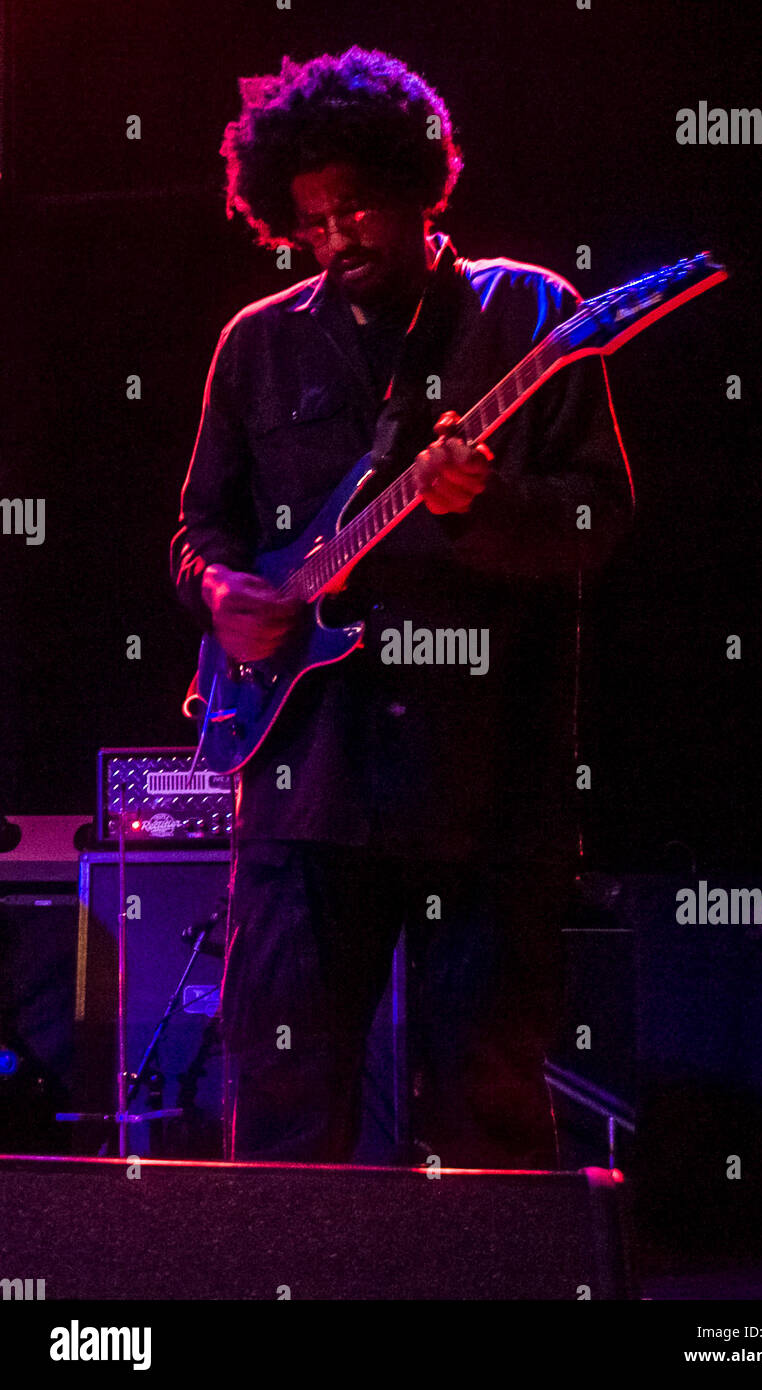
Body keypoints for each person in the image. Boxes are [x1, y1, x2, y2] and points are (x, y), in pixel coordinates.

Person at [170, 46, 634, 1166]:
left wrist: (482, 504)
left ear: (423, 184)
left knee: (483, 1108)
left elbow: (596, 519)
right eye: (311, 219)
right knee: (282, 1105)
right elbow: (201, 532)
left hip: (486, 782)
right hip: (303, 784)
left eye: (359, 209)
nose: (335, 238)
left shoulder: (531, 313)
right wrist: (219, 590)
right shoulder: (258, 340)